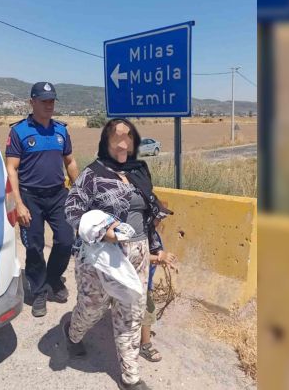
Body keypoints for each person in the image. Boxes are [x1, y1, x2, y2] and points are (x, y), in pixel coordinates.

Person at [63, 118, 171, 390]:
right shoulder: (92, 174)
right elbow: (72, 210)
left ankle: (130, 378)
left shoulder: (139, 170)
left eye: (128, 136)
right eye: (117, 136)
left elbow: (147, 211)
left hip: (138, 252)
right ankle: (73, 334)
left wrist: (155, 242)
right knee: (92, 308)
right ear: (106, 141)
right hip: (101, 254)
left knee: (131, 313)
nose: (123, 142)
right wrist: (103, 231)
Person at [5, 81, 79, 317]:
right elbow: (11, 169)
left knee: (66, 240)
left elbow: (70, 161)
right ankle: (38, 291)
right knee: (34, 247)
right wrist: (18, 203)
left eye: (52, 101)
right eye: (44, 101)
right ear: (32, 102)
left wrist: (79, 190)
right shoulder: (19, 131)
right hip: (30, 197)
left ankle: (53, 278)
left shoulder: (61, 131)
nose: (49, 105)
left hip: (58, 195)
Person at [140, 229, 177, 363]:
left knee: (146, 311)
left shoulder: (153, 234)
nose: (159, 221)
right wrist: (159, 258)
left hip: (145, 282)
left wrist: (166, 261)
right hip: (137, 282)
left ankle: (141, 339)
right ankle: (145, 345)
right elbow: (134, 255)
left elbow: (158, 252)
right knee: (148, 311)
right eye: (158, 219)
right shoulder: (139, 232)